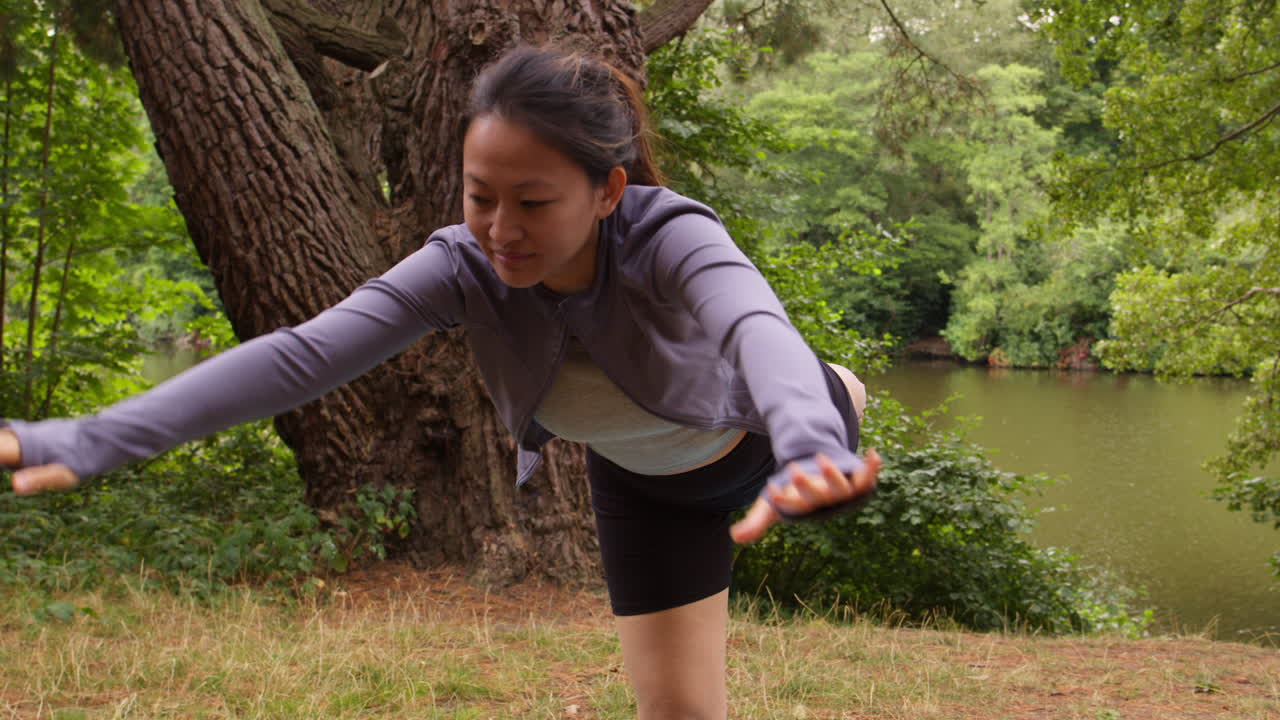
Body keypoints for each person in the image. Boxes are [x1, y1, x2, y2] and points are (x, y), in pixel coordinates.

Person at [1, 46, 879, 719]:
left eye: (533, 203)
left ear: (608, 190)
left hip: (765, 439)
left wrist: (807, 437)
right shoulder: (460, 267)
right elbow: (301, 356)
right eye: (478, 195)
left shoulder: (669, 236)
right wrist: (88, 437)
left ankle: (834, 403)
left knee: (807, 390)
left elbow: (752, 323)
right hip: (643, 485)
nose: (501, 229)